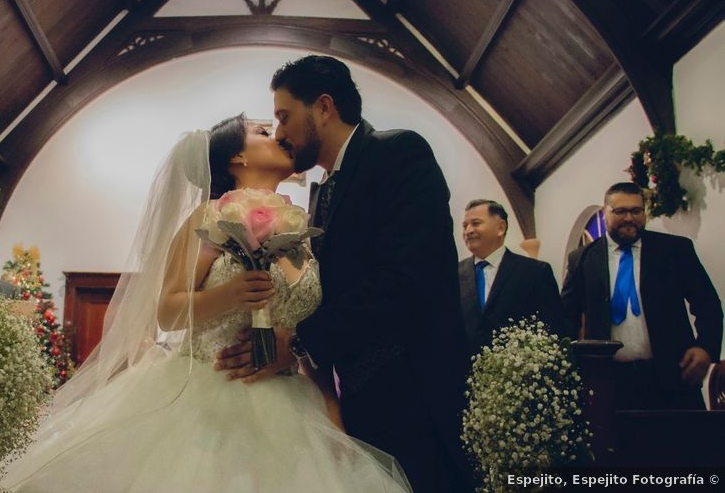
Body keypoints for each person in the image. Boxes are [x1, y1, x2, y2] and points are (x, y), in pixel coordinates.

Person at [1, 116, 411, 492]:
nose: (280, 135)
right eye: (264, 133)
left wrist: (331, 412)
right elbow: (167, 309)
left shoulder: (303, 227)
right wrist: (226, 295)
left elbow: (307, 329)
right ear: (237, 156)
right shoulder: (210, 215)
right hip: (207, 394)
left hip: (292, 399)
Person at [217, 55, 472, 493]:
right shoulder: (320, 196)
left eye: (284, 116)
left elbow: (407, 278)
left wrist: (296, 342)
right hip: (361, 403)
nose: (279, 133)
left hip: (416, 395)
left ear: (323, 107)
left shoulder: (397, 153)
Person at [562, 182, 722, 410]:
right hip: (611, 384)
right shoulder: (583, 259)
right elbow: (567, 317)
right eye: (620, 211)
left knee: (683, 445)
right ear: (605, 213)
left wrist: (705, 347)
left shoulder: (675, 250)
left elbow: (707, 303)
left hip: (673, 377)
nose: (629, 218)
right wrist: (570, 367)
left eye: (636, 211)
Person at [458, 199, 565, 353]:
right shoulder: (454, 275)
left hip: (517, 370)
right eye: (464, 226)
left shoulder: (534, 272)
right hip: (462, 371)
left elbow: (554, 328)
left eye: (475, 223)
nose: (468, 230)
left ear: (500, 227)